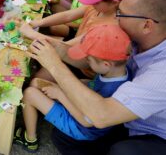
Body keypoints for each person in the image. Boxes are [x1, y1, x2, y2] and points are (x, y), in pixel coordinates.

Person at [28, 0, 166, 155]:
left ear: (147, 25)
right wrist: (50, 46)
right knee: (62, 137)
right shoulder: (137, 37)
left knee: (123, 151)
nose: (115, 17)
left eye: (121, 13)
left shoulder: (161, 73)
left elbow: (101, 116)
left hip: (153, 134)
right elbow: (89, 61)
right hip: (124, 113)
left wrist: (54, 66)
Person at [15, 24, 131, 152]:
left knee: (29, 93)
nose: (86, 62)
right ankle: (34, 112)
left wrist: (60, 94)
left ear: (106, 64)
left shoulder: (111, 89)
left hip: (80, 127)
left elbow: (86, 121)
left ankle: (30, 140)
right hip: (78, 104)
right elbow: (91, 84)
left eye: (89, 60)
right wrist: (70, 86)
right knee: (37, 82)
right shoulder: (116, 72)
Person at [20, 0, 132, 78]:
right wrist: (38, 22)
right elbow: (67, 16)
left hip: (83, 65)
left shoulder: (108, 29)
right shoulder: (98, 7)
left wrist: (32, 34)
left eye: (95, 0)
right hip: (71, 49)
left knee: (38, 77)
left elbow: (65, 48)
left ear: (114, 2)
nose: (91, 3)